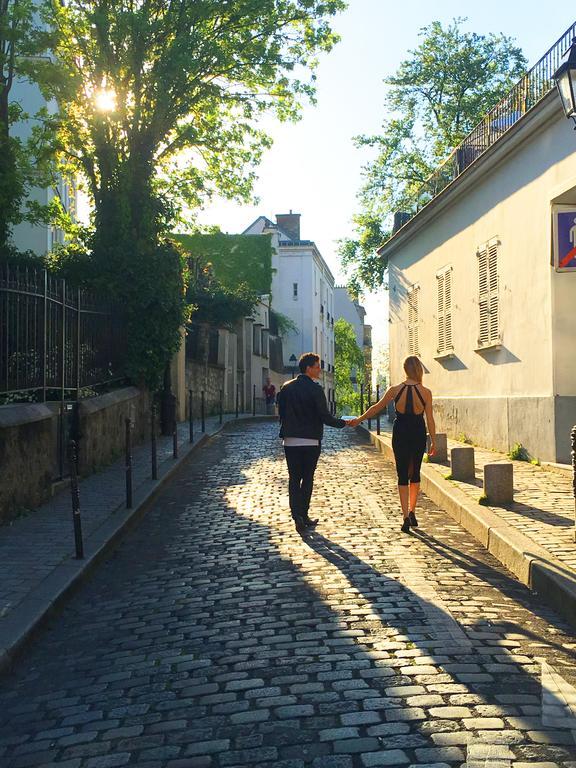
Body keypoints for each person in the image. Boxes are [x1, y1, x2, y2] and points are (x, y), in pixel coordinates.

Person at [349, 356, 435, 533]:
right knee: (415, 472)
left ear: (405, 369)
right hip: (418, 433)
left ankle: (405, 516)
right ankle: (412, 511)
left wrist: (359, 419)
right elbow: (430, 419)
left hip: (401, 433)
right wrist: (433, 440)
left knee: (402, 474)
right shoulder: (426, 392)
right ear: (419, 369)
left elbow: (376, 408)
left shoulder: (395, 390)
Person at [277, 352, 349, 534]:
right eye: (317, 367)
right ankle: (304, 514)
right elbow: (324, 416)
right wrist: (344, 423)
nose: (319, 370)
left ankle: (297, 516)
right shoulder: (316, 390)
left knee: (294, 478)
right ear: (308, 368)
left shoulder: (286, 388)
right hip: (311, 440)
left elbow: (281, 412)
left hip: (291, 440)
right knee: (307, 478)